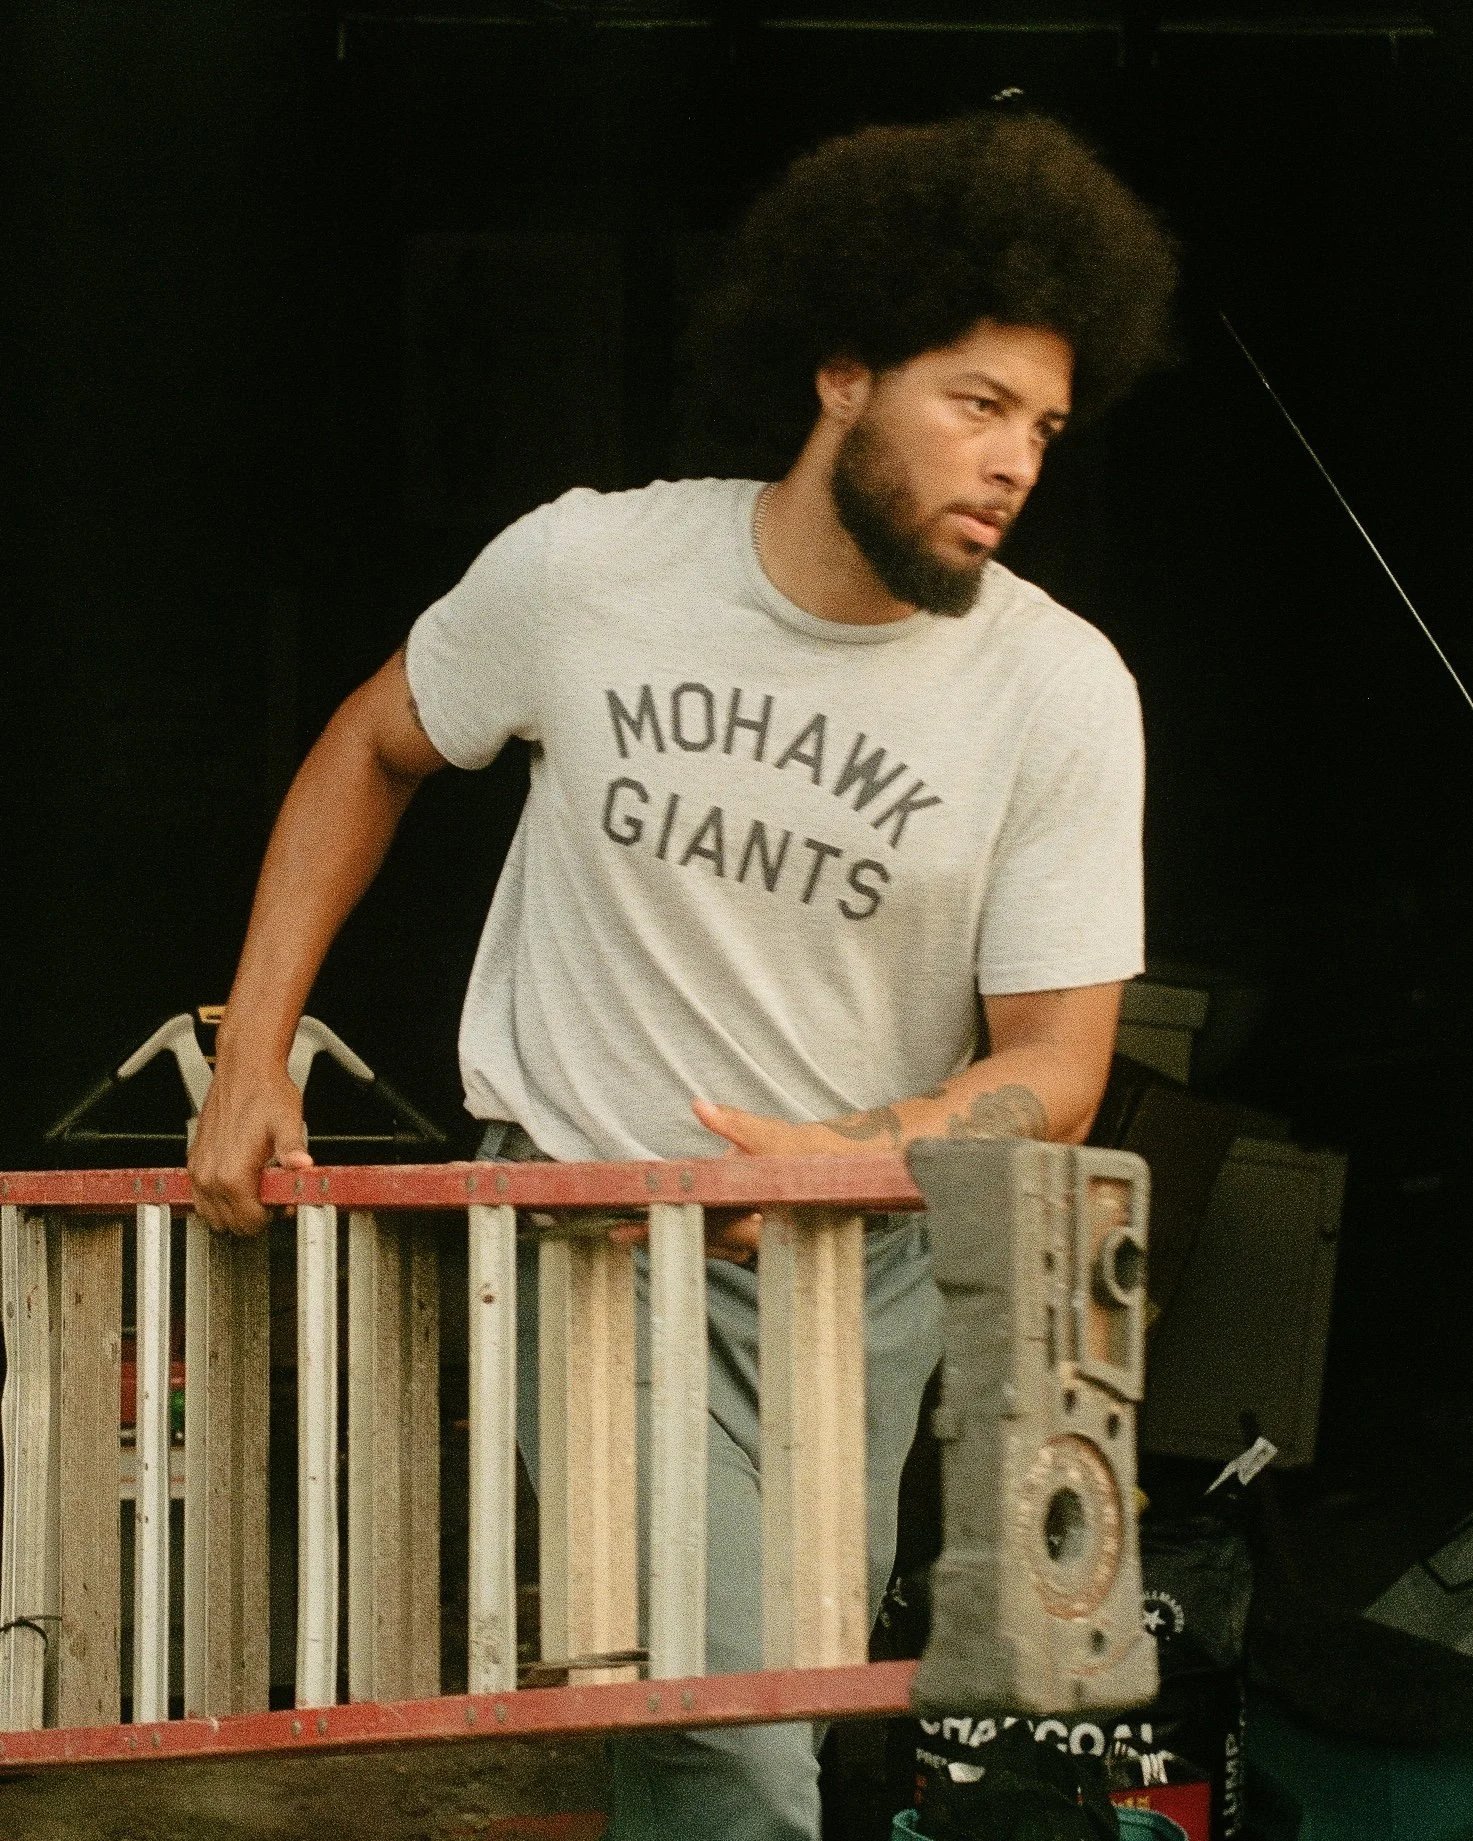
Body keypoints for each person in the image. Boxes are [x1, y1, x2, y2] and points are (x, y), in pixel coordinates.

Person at [190, 110, 1177, 1841]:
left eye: (1044, 426)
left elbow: (1057, 1063)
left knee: (757, 1718)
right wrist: (253, 1052)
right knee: (731, 1744)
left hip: (852, 1268)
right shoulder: (593, 567)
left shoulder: (1060, 691)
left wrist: (840, 1159)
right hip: (583, 1224)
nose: (1016, 462)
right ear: (844, 370)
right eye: (977, 403)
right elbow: (373, 746)